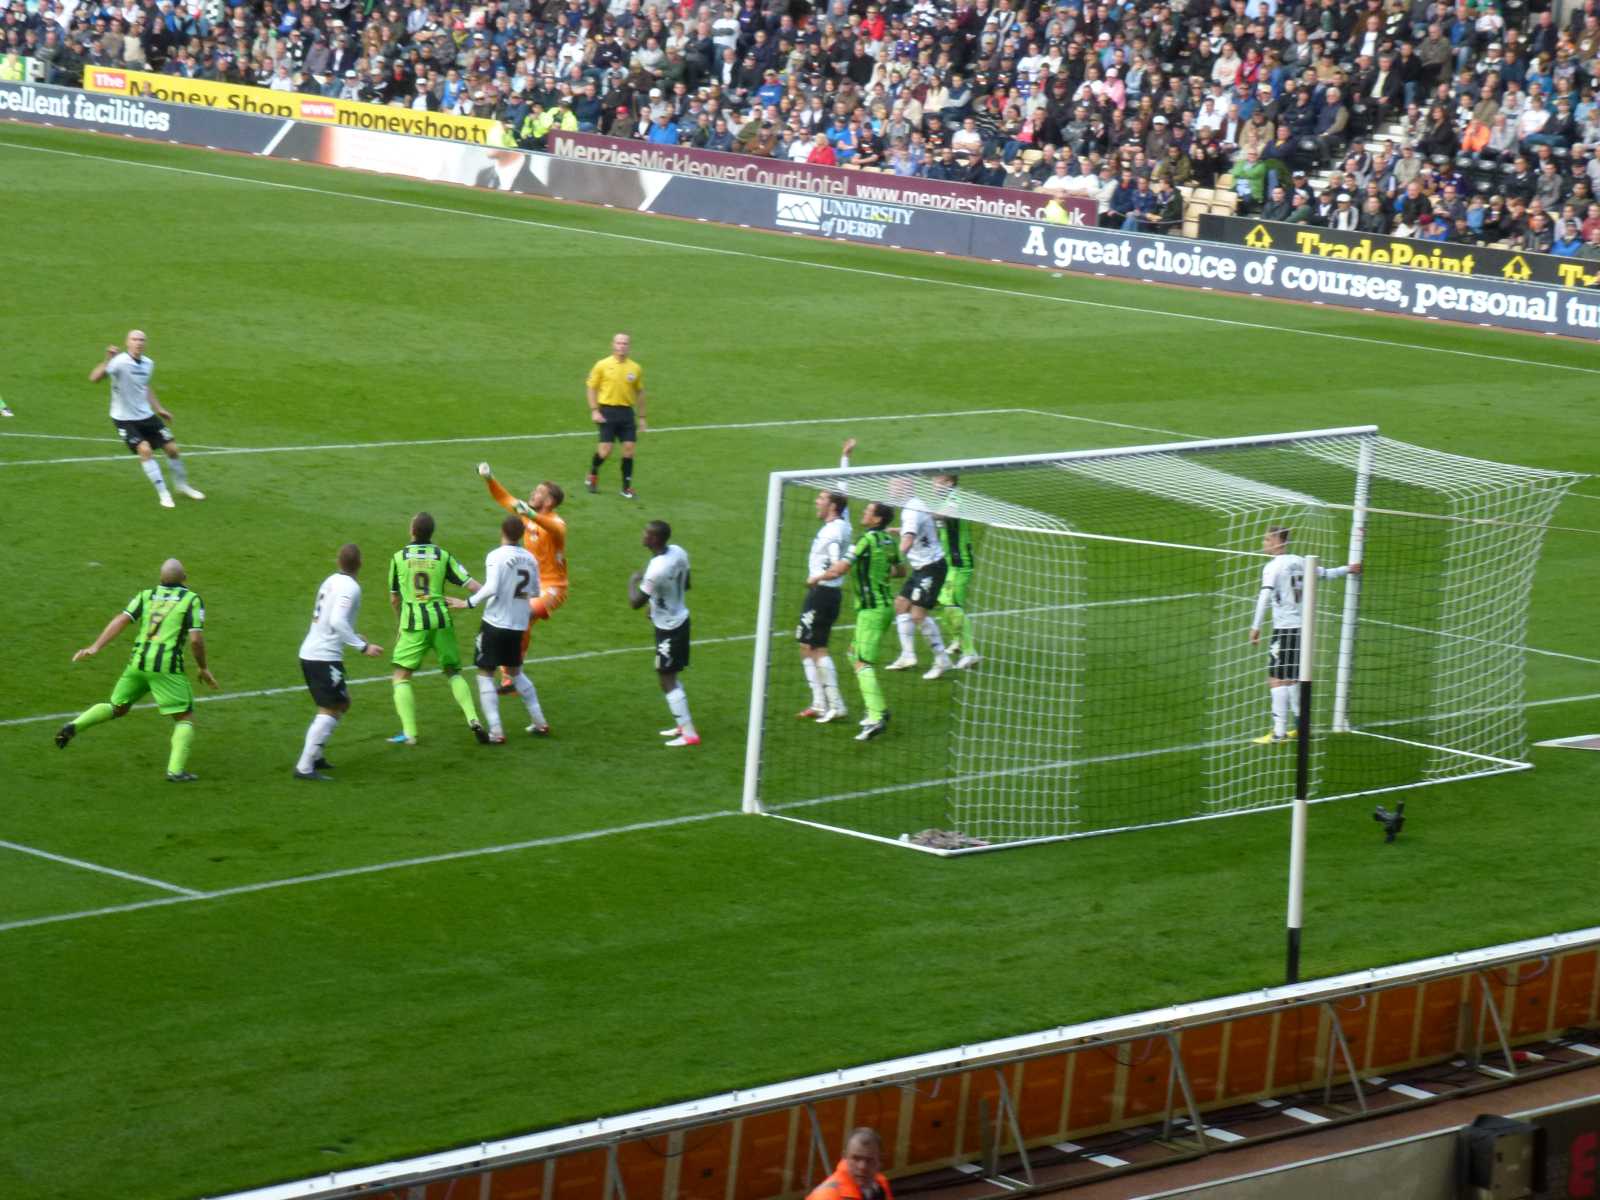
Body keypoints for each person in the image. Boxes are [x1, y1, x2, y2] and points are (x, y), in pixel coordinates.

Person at [55, 557, 218, 782]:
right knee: (184, 717)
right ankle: (176, 771)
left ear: (161, 578)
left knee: (117, 707)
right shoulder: (191, 599)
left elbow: (122, 619)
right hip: (166, 669)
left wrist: (95, 646)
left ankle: (75, 725)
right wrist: (203, 667)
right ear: (185, 578)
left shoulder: (146, 595)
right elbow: (196, 641)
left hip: (138, 664)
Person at [1248, 526, 1362, 744]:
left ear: (1278, 542)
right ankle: (1302, 727)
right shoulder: (1301, 561)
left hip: (1284, 629)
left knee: (1276, 678)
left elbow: (1264, 596)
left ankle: (1279, 733)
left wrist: (1255, 626)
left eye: (1267, 539)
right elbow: (1326, 574)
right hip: (1303, 629)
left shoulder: (1272, 567)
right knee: (1291, 679)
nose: (1264, 543)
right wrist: (1349, 568)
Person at [446, 514, 550, 741]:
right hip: (518, 624)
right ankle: (539, 721)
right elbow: (534, 592)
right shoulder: (531, 559)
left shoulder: (496, 556)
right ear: (521, 535)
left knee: (485, 674)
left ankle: (496, 731)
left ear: (501, 531)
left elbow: (492, 587)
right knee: (515, 672)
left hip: (495, 623)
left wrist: (468, 603)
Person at [387, 512, 487, 746]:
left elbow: (394, 599)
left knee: (401, 676)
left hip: (414, 624)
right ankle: (473, 719)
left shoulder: (399, 557)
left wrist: (400, 624)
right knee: (453, 672)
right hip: (442, 619)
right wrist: (486, 596)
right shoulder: (443, 556)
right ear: (431, 533)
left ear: (412, 530)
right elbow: (473, 585)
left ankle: (410, 733)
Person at [812, 494, 904, 742]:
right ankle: (876, 711)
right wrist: (881, 571)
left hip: (871, 612)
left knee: (863, 663)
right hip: (884, 608)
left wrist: (817, 578)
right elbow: (901, 570)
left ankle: (876, 715)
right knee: (853, 653)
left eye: (868, 511)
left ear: (877, 518)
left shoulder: (865, 541)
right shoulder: (888, 540)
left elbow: (841, 569)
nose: (864, 513)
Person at [294, 543, 384, 781]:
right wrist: (363, 647)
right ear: (361, 564)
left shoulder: (330, 580)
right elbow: (337, 620)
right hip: (323, 657)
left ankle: (316, 755)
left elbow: (331, 619)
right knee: (331, 708)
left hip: (314, 651)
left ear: (338, 561)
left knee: (342, 703)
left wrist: (355, 636)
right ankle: (304, 767)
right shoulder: (351, 587)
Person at [88, 331, 205, 509]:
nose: (138, 343)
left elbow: (144, 386)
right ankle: (163, 494)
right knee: (145, 450)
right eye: (134, 339)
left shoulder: (149, 363)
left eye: (142, 340)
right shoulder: (119, 362)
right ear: (127, 342)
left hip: (145, 415)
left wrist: (159, 408)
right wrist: (107, 360)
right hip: (124, 419)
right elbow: (94, 378)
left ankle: (181, 486)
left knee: (172, 449)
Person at [478, 463, 568, 692]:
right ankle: (510, 676)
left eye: (538, 492)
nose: (532, 494)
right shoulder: (528, 515)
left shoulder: (556, 524)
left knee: (522, 616)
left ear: (548, 502)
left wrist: (530, 513)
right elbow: (505, 498)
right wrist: (489, 478)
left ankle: (512, 670)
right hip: (532, 585)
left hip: (553, 588)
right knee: (513, 620)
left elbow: (554, 529)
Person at [628, 520, 699, 747]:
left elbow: (635, 602)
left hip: (670, 628)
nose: (643, 535)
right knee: (668, 675)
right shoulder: (678, 552)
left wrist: (632, 582)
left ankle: (689, 734)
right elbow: (686, 583)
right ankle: (682, 724)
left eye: (647, 533)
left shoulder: (656, 569)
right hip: (677, 618)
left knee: (666, 677)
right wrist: (658, 603)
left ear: (656, 540)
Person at [887, 480, 955, 680]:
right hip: (921, 567)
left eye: (894, 486)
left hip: (932, 567)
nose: (890, 489)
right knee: (901, 605)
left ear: (905, 488)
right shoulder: (913, 506)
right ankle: (908, 655)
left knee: (917, 614)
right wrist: (897, 530)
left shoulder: (911, 509)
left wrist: (892, 563)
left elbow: (908, 540)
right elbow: (919, 530)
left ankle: (942, 660)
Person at [795, 489, 852, 722]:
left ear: (833, 506)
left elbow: (838, 564)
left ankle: (836, 705)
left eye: (821, 498)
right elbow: (843, 491)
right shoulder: (843, 524)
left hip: (824, 593)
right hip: (823, 593)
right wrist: (845, 458)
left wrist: (817, 578)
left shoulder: (834, 531)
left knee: (817, 647)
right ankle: (819, 703)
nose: (817, 501)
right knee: (805, 645)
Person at [585, 331, 646, 499]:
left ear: (629, 347)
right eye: (619, 343)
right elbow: (591, 387)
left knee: (629, 449)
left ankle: (626, 488)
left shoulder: (635, 368)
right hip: (607, 411)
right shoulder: (602, 365)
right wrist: (594, 410)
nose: (622, 346)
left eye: (625, 343)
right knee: (605, 451)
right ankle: (593, 473)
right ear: (613, 345)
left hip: (626, 413)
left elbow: (640, 392)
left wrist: (641, 417)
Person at [932, 473, 980, 671]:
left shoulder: (955, 499)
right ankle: (958, 641)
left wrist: (921, 513)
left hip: (960, 564)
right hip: (949, 563)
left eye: (937, 481)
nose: (933, 485)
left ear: (949, 483)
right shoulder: (943, 500)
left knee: (953, 606)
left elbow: (946, 514)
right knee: (942, 604)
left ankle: (971, 653)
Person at [805, 1127, 893, 1200]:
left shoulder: (880, 1185)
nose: (862, 1167)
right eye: (856, 1158)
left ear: (880, 1161)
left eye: (869, 1160)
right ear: (845, 1157)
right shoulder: (827, 1196)